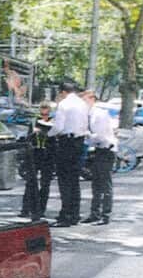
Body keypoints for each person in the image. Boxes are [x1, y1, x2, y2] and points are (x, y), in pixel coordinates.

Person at [47, 81, 87, 227]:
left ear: (63, 92)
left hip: (67, 143)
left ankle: (65, 215)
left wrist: (48, 134)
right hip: (79, 142)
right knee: (74, 180)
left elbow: (58, 127)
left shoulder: (64, 104)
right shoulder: (82, 104)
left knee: (64, 180)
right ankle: (75, 213)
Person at [80, 90, 114, 225]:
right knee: (96, 184)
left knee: (105, 184)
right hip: (98, 150)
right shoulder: (88, 114)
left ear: (92, 99)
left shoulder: (99, 114)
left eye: (85, 100)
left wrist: (86, 136)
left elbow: (99, 135)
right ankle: (95, 213)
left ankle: (105, 214)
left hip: (106, 149)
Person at [22, 101, 53, 220]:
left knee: (45, 183)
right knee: (30, 182)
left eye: (46, 109)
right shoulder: (34, 120)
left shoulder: (53, 121)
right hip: (35, 153)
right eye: (42, 109)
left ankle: (41, 209)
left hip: (48, 154)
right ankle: (26, 208)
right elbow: (28, 136)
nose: (44, 111)